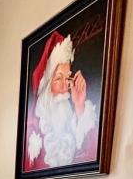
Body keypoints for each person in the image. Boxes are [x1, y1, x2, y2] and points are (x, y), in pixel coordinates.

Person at [27, 31, 97, 169]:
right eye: (59, 78)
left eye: (68, 78)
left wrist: (79, 106)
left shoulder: (73, 117)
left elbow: (90, 153)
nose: (65, 86)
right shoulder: (33, 125)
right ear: (46, 84)